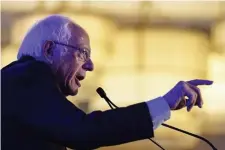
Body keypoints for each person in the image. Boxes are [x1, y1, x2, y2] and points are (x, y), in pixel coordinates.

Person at [2, 15, 213, 150]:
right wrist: (164, 103)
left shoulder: (24, 84)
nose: (91, 65)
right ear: (49, 50)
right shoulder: (26, 77)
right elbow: (84, 132)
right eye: (83, 53)